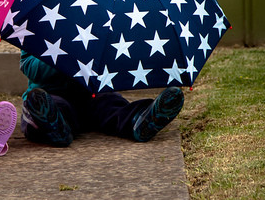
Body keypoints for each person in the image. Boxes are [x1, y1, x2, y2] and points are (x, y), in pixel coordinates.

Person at [19, 50, 184, 147]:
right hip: (53, 95)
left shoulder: (98, 24)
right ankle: (54, 129)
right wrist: (63, 56)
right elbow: (29, 67)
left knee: (111, 105)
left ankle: (139, 120)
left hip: (91, 94)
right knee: (55, 108)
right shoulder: (39, 25)